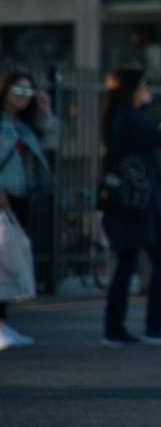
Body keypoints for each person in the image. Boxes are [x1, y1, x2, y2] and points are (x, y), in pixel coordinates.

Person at [99, 67, 161, 348]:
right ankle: (153, 327)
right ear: (132, 90)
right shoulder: (130, 119)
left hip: (125, 202)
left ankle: (114, 330)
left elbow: (156, 136)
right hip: (142, 203)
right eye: (145, 86)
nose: (149, 91)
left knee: (127, 262)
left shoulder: (120, 119)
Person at [0, 68, 60, 349]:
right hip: (3, 196)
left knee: (10, 261)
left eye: (28, 91)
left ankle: (3, 325)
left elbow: (52, 141)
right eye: (18, 90)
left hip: (20, 195)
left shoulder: (24, 125)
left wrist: (45, 109)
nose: (22, 97)